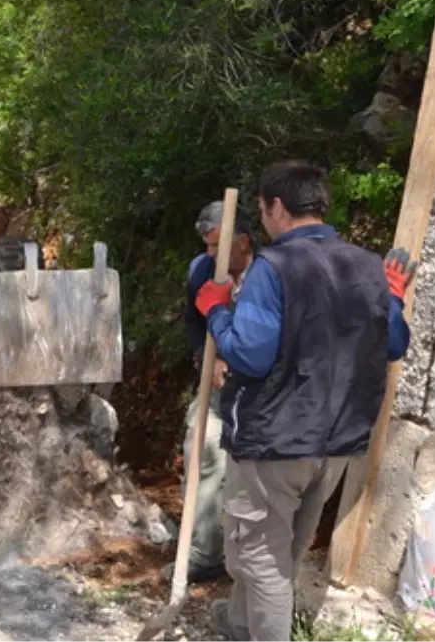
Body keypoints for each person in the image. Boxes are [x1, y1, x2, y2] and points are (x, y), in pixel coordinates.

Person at [193, 160, 414, 642]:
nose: (264, 219)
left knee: (256, 557)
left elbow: (249, 354)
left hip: (276, 440)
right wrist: (392, 300)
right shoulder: (368, 266)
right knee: (281, 551)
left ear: (276, 206)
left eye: (264, 209)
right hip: (336, 441)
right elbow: (394, 344)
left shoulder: (274, 268)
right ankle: (239, 627)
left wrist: (216, 311)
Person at [168, 201, 259, 585]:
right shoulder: (202, 270)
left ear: (243, 241)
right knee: (202, 456)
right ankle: (203, 554)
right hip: (218, 387)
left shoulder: (271, 275)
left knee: (254, 481)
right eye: (205, 246)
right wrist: (206, 359)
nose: (208, 255)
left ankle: (253, 568)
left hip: (261, 397)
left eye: (215, 247)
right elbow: (194, 319)